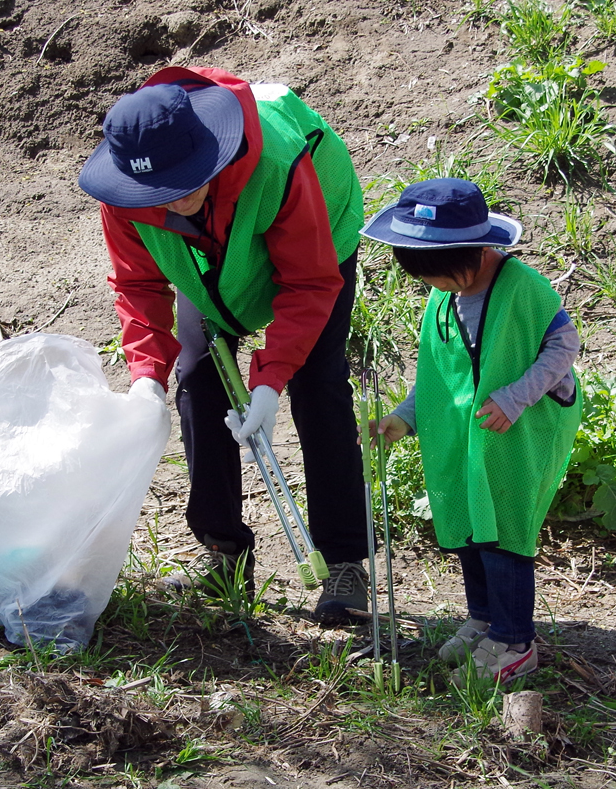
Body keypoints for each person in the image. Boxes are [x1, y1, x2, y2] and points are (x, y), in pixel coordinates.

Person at [77, 66, 371, 623]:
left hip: (315, 243)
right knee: (198, 377)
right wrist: (145, 376)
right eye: (159, 191)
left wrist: (269, 380)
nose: (175, 198)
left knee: (317, 382)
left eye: (186, 181)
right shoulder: (124, 193)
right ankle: (223, 549)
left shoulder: (276, 164)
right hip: (208, 264)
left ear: (208, 153)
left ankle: (344, 562)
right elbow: (139, 285)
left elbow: (308, 283)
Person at [360, 178, 582, 683]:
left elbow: (565, 345)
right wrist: (404, 417)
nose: (434, 286)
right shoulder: (442, 300)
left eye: (441, 274)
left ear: (479, 251)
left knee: (504, 535)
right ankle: (484, 618)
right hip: (467, 437)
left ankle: (513, 642)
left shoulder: (524, 287)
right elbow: (438, 377)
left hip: (520, 429)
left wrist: (514, 397)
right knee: (468, 528)